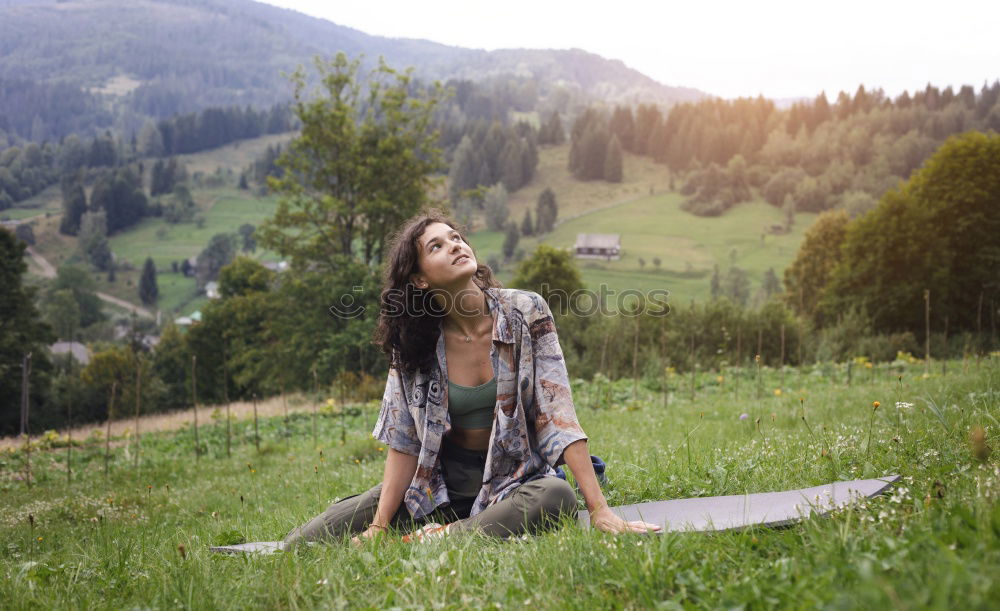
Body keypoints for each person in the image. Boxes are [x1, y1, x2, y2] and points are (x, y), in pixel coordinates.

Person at [283, 211, 660, 546]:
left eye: (456, 237)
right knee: (303, 541)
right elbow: (404, 442)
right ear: (419, 279)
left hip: (515, 479)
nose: (455, 245)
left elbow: (557, 416)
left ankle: (445, 535)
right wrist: (380, 526)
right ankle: (442, 523)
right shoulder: (414, 343)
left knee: (557, 495)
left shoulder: (525, 311)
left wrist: (599, 510)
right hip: (439, 484)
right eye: (436, 246)